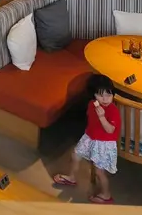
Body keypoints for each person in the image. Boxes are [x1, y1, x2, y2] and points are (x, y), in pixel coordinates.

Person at [52, 74, 120, 204]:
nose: (105, 99)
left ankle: (106, 195)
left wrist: (102, 117)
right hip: (89, 137)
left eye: (109, 94)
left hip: (104, 144)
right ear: (93, 96)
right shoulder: (91, 105)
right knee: (75, 155)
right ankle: (71, 178)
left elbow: (110, 130)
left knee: (99, 172)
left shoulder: (113, 111)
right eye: (100, 95)